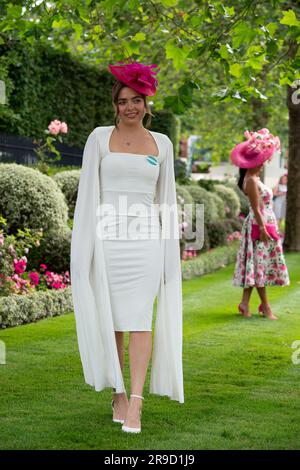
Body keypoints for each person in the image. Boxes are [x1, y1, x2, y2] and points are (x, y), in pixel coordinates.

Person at [70, 60, 184, 434]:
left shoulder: (162, 144)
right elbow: (87, 196)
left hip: (147, 241)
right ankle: (117, 391)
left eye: (136, 100)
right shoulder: (99, 138)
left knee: (139, 319)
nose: (130, 107)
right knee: (114, 320)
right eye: (123, 101)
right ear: (115, 105)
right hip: (108, 240)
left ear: (147, 102)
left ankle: (136, 400)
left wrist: (170, 254)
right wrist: (84, 249)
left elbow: (166, 200)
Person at [230, 128, 290, 320]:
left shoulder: (254, 179)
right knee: (260, 265)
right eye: (262, 159)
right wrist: (263, 230)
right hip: (259, 226)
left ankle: (245, 304)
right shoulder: (251, 181)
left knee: (255, 266)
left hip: (264, 224)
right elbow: (256, 208)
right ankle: (266, 306)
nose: (264, 162)